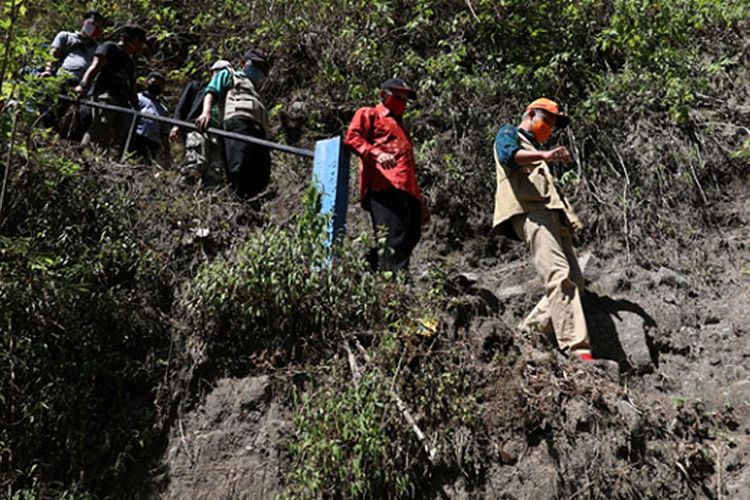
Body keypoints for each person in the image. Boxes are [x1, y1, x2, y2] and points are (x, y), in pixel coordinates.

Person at [492, 97, 592, 361]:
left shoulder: (534, 147)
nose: (549, 127)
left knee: (576, 282)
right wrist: (545, 155)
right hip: (530, 212)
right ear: (530, 113)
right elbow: (508, 156)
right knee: (558, 274)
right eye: (546, 120)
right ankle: (577, 348)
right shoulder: (509, 134)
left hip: (551, 215)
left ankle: (526, 334)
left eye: (553, 124)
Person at [345, 78, 428, 273]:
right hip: (384, 185)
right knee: (393, 236)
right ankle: (391, 287)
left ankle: (371, 268)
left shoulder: (401, 128)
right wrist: (376, 153)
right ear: (383, 95)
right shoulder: (370, 114)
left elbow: (408, 167)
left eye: (405, 99)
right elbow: (352, 137)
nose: (402, 102)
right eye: (397, 96)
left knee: (411, 234)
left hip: (407, 189)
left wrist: (419, 198)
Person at [195, 50, 271, 198]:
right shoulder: (229, 74)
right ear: (243, 63)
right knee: (238, 164)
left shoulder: (255, 89)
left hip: (257, 130)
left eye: (262, 67)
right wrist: (206, 112)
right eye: (255, 64)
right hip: (237, 123)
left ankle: (246, 199)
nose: (259, 70)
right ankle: (235, 201)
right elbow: (212, 91)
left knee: (262, 169)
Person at [76, 25, 147, 158]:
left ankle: (108, 162)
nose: (141, 46)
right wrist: (83, 85)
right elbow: (95, 66)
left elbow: (132, 85)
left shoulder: (131, 62)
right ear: (132, 39)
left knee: (121, 135)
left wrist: (136, 107)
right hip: (106, 94)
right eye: (140, 42)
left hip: (123, 101)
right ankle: (85, 157)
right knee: (100, 127)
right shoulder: (109, 47)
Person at [40, 10, 107, 138]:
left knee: (84, 117)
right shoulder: (66, 36)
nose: (95, 28)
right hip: (63, 78)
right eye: (92, 24)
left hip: (83, 85)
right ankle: (44, 136)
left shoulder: (98, 48)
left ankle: (65, 141)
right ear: (84, 22)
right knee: (51, 111)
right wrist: (48, 71)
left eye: (99, 26)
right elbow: (53, 55)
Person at [171, 60, 232, 184]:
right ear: (211, 73)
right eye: (219, 72)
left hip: (217, 133)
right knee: (195, 163)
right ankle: (182, 192)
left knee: (214, 171)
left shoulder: (229, 94)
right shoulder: (197, 87)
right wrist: (177, 125)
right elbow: (182, 107)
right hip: (196, 128)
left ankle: (206, 197)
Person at [130, 72, 170, 164]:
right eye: (153, 83)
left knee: (145, 166)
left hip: (152, 142)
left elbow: (164, 132)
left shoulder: (163, 109)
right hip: (136, 136)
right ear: (146, 82)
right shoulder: (137, 98)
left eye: (159, 86)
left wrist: (167, 149)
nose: (156, 86)